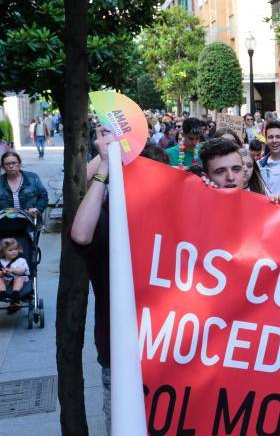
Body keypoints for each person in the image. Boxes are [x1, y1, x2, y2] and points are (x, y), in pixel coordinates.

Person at [71, 131, 171, 435]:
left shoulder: (175, 222)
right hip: (120, 357)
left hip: (169, 353)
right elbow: (81, 234)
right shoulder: (105, 220)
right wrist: (105, 166)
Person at [0, 152, 48, 219]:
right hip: (5, 223)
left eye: (14, 163)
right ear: (2, 167)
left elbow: (43, 196)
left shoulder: (33, 178)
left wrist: (37, 209)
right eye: (7, 164)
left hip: (30, 221)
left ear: (19, 163)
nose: (11, 166)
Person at [0, 238, 30, 312]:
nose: (14, 251)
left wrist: (12, 270)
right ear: (3, 252)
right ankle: (2, 293)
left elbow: (22, 271)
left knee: (19, 279)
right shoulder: (1, 261)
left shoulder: (21, 260)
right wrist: (2, 273)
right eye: (10, 250)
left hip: (18, 279)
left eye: (16, 249)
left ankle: (15, 293)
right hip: (5, 281)